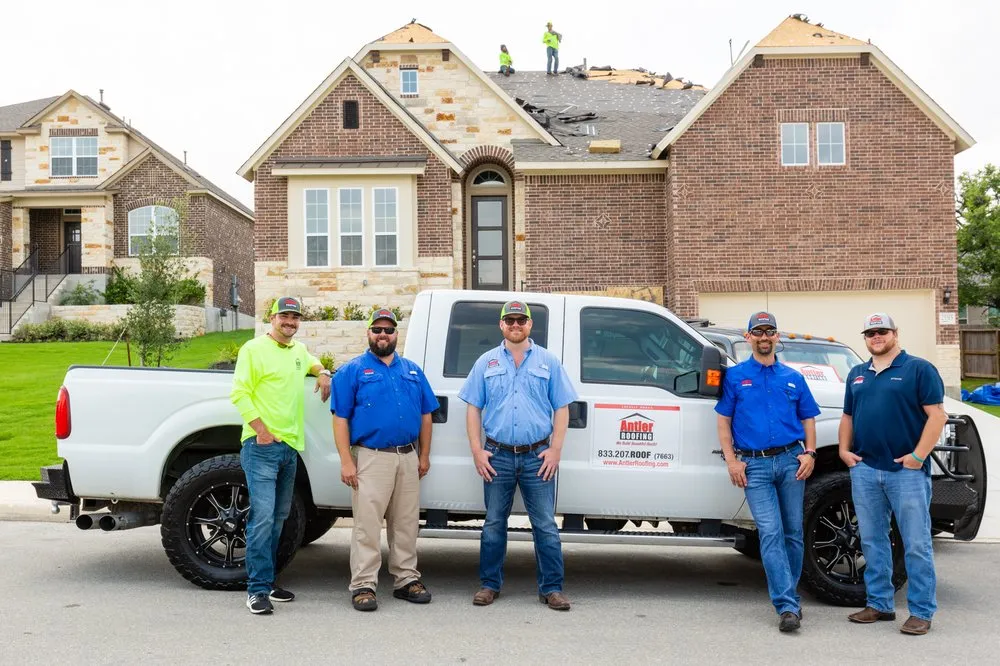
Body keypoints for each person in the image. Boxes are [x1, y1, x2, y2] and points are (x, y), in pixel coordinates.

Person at [458, 300, 578, 610]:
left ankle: (551, 588)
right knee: (494, 524)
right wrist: (476, 451)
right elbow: (473, 407)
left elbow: (562, 407)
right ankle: (489, 584)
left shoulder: (548, 362)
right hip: (497, 455)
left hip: (537, 457)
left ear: (529, 325)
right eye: (509, 320)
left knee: (546, 526)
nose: (515, 325)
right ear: (501, 325)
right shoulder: (486, 362)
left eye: (520, 320)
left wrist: (555, 450)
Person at [839, 313, 948, 636]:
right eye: (871, 332)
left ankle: (921, 611)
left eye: (882, 331)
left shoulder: (919, 369)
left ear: (895, 334)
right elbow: (847, 416)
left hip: (906, 473)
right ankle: (880, 604)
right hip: (866, 470)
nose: (876, 336)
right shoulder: (857, 374)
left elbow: (937, 416)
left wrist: (918, 456)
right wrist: (845, 452)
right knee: (872, 541)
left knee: (915, 544)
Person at [715, 311, 820, 632]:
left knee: (793, 532)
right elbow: (723, 420)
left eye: (769, 332)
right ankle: (787, 605)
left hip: (791, 460)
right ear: (748, 338)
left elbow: (808, 418)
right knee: (771, 532)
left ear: (777, 337)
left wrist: (811, 454)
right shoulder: (735, 377)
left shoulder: (794, 378)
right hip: (754, 466)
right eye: (757, 332)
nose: (763, 337)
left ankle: (789, 597)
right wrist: (732, 460)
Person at [332, 307, 438, 612]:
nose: (383, 335)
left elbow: (426, 415)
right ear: (368, 333)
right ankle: (363, 584)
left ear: (396, 334)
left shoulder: (413, 371)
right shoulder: (352, 371)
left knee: (405, 523)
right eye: (377, 330)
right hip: (371, 457)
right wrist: (346, 461)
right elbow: (340, 419)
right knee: (367, 524)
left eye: (388, 330)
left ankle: (406, 579)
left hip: (408, 456)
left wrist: (424, 455)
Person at [231, 296, 331, 615]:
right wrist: (261, 430)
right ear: (271, 318)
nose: (290, 321)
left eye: (295, 317)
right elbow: (239, 392)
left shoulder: (297, 351)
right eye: (284, 316)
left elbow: (313, 361)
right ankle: (256, 590)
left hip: (289, 449)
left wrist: (323, 372)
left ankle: (268, 580)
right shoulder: (253, 350)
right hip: (261, 448)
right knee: (262, 519)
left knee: (277, 520)